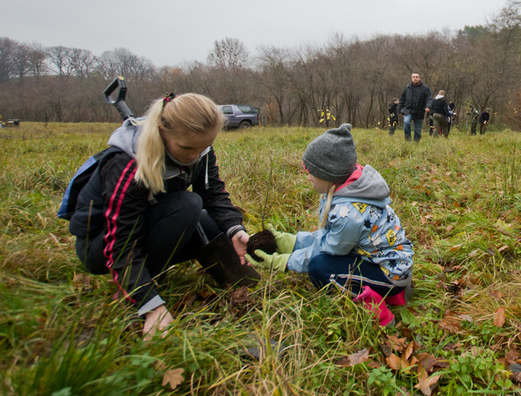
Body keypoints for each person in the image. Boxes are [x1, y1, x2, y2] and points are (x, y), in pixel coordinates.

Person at [68, 93, 253, 339]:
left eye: (203, 147)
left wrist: (235, 230)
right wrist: (151, 306)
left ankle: (236, 282)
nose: (195, 156)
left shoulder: (198, 148)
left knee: (207, 220)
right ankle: (136, 288)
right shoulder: (126, 162)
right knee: (188, 206)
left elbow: (212, 193)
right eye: (187, 148)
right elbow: (121, 241)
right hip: (102, 246)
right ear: (162, 133)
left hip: (147, 222)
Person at [249, 124, 414, 326]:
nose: (308, 176)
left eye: (310, 171)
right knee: (322, 260)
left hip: (391, 274)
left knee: (320, 269)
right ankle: (391, 293)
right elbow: (328, 237)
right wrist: (290, 241)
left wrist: (285, 262)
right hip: (384, 263)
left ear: (329, 174)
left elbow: (327, 251)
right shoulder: (343, 190)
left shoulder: (349, 213)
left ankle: (376, 310)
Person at [399, 73, 432, 142]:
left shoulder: (425, 88)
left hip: (419, 111)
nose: (415, 78)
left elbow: (429, 99)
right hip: (408, 110)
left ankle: (416, 144)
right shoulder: (407, 88)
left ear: (419, 78)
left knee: (417, 129)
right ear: (411, 78)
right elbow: (402, 99)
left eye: (416, 77)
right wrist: (400, 109)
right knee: (406, 122)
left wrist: (428, 106)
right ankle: (408, 140)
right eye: (413, 77)